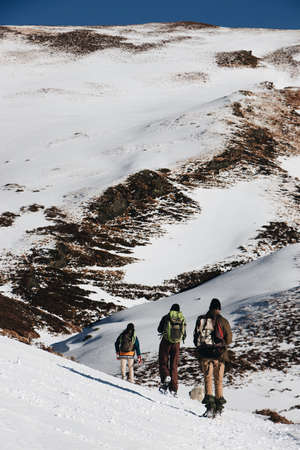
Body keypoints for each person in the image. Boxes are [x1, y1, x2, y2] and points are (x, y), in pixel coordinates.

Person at [193, 298, 232, 416]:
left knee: (208, 379)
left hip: (205, 355)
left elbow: (196, 339)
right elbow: (229, 339)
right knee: (218, 381)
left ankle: (210, 408)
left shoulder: (202, 319)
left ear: (210, 307)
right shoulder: (223, 321)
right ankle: (219, 408)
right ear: (219, 308)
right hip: (219, 356)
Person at [157, 303, 186, 396]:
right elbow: (184, 333)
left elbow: (159, 329)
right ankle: (173, 388)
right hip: (176, 344)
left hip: (166, 342)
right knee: (174, 365)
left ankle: (166, 377)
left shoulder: (166, 317)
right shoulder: (182, 318)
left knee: (163, 362)